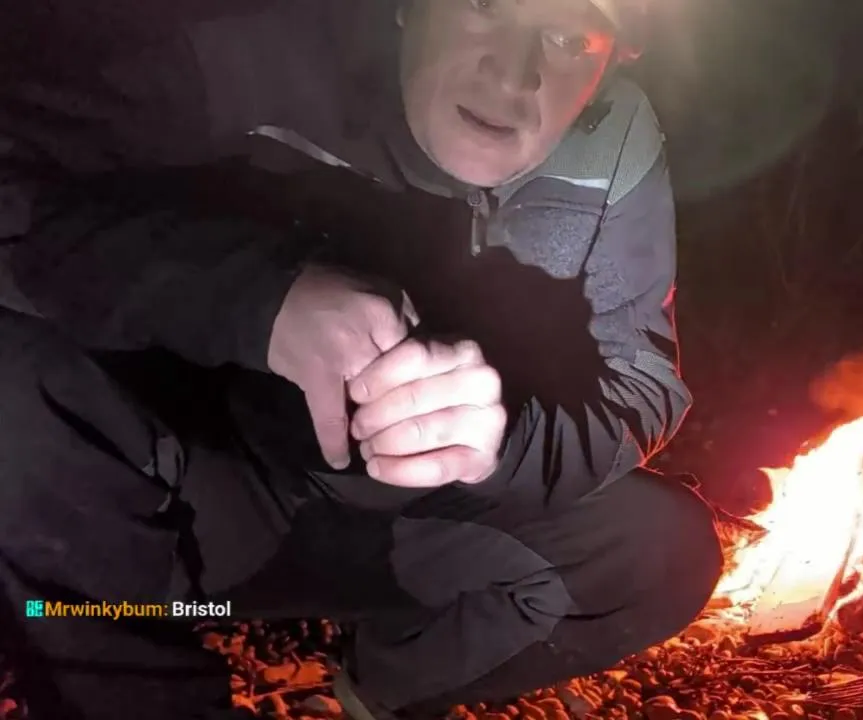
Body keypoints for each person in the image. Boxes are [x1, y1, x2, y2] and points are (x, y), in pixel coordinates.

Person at [0, 0, 723, 717]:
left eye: (568, 37)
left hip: (425, 527)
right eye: (482, 5)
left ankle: (376, 691)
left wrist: (503, 448)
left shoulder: (614, 143)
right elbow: (16, 191)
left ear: (617, 56)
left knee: (663, 551)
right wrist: (258, 298)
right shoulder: (257, 55)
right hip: (191, 513)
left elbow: (643, 386)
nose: (512, 74)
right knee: (15, 383)